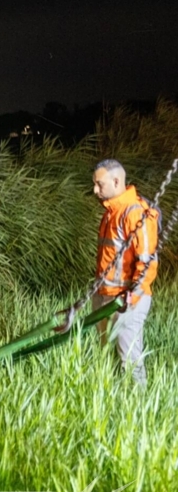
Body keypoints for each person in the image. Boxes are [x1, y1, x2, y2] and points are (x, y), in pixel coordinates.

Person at [91, 158, 158, 385]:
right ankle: (110, 407)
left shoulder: (134, 212)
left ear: (117, 181)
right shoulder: (111, 211)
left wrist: (134, 294)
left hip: (127, 300)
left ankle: (138, 410)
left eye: (99, 184)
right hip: (105, 297)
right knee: (106, 357)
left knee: (128, 359)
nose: (95, 190)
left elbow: (147, 261)